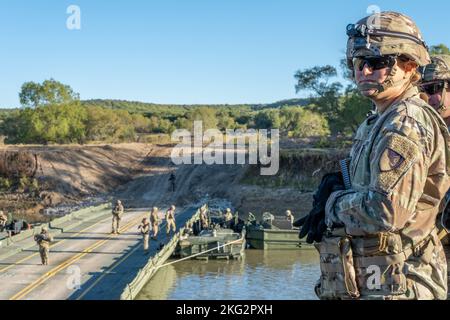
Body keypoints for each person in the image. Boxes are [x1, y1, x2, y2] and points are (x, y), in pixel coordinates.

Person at [299, 12, 450, 300]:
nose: (364, 71)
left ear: (409, 65)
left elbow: (386, 210)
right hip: (376, 281)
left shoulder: (405, 121)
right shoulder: (378, 120)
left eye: (378, 62)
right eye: (359, 62)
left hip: (404, 281)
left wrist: (333, 205)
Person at [420, 55, 450, 241]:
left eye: (433, 88)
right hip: (432, 237)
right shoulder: (424, 128)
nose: (426, 97)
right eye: (422, 90)